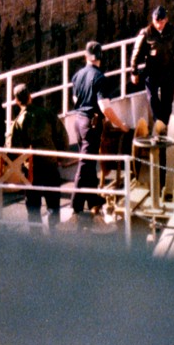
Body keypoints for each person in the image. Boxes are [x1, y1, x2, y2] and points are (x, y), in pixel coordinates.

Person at [70, 41, 129, 217]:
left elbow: (75, 100)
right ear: (100, 58)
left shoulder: (77, 75)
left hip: (78, 121)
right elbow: (105, 108)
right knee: (85, 163)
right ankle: (76, 204)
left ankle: (93, 199)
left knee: (88, 163)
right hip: (91, 124)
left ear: (85, 56)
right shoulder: (100, 78)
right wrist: (121, 125)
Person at [7, 84, 68, 228]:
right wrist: (59, 157)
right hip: (50, 165)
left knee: (33, 208)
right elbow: (63, 137)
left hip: (32, 171)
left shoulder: (17, 123)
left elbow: (12, 150)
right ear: (30, 97)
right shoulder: (47, 114)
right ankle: (54, 234)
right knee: (53, 204)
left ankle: (36, 240)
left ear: (16, 101)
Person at [131, 5, 174, 127]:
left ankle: (165, 124)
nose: (159, 25)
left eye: (162, 21)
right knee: (153, 99)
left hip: (168, 70)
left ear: (166, 20)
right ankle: (158, 124)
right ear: (153, 20)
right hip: (152, 71)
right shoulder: (146, 33)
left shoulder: (172, 31)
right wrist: (134, 72)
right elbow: (136, 53)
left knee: (167, 101)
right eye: (156, 21)